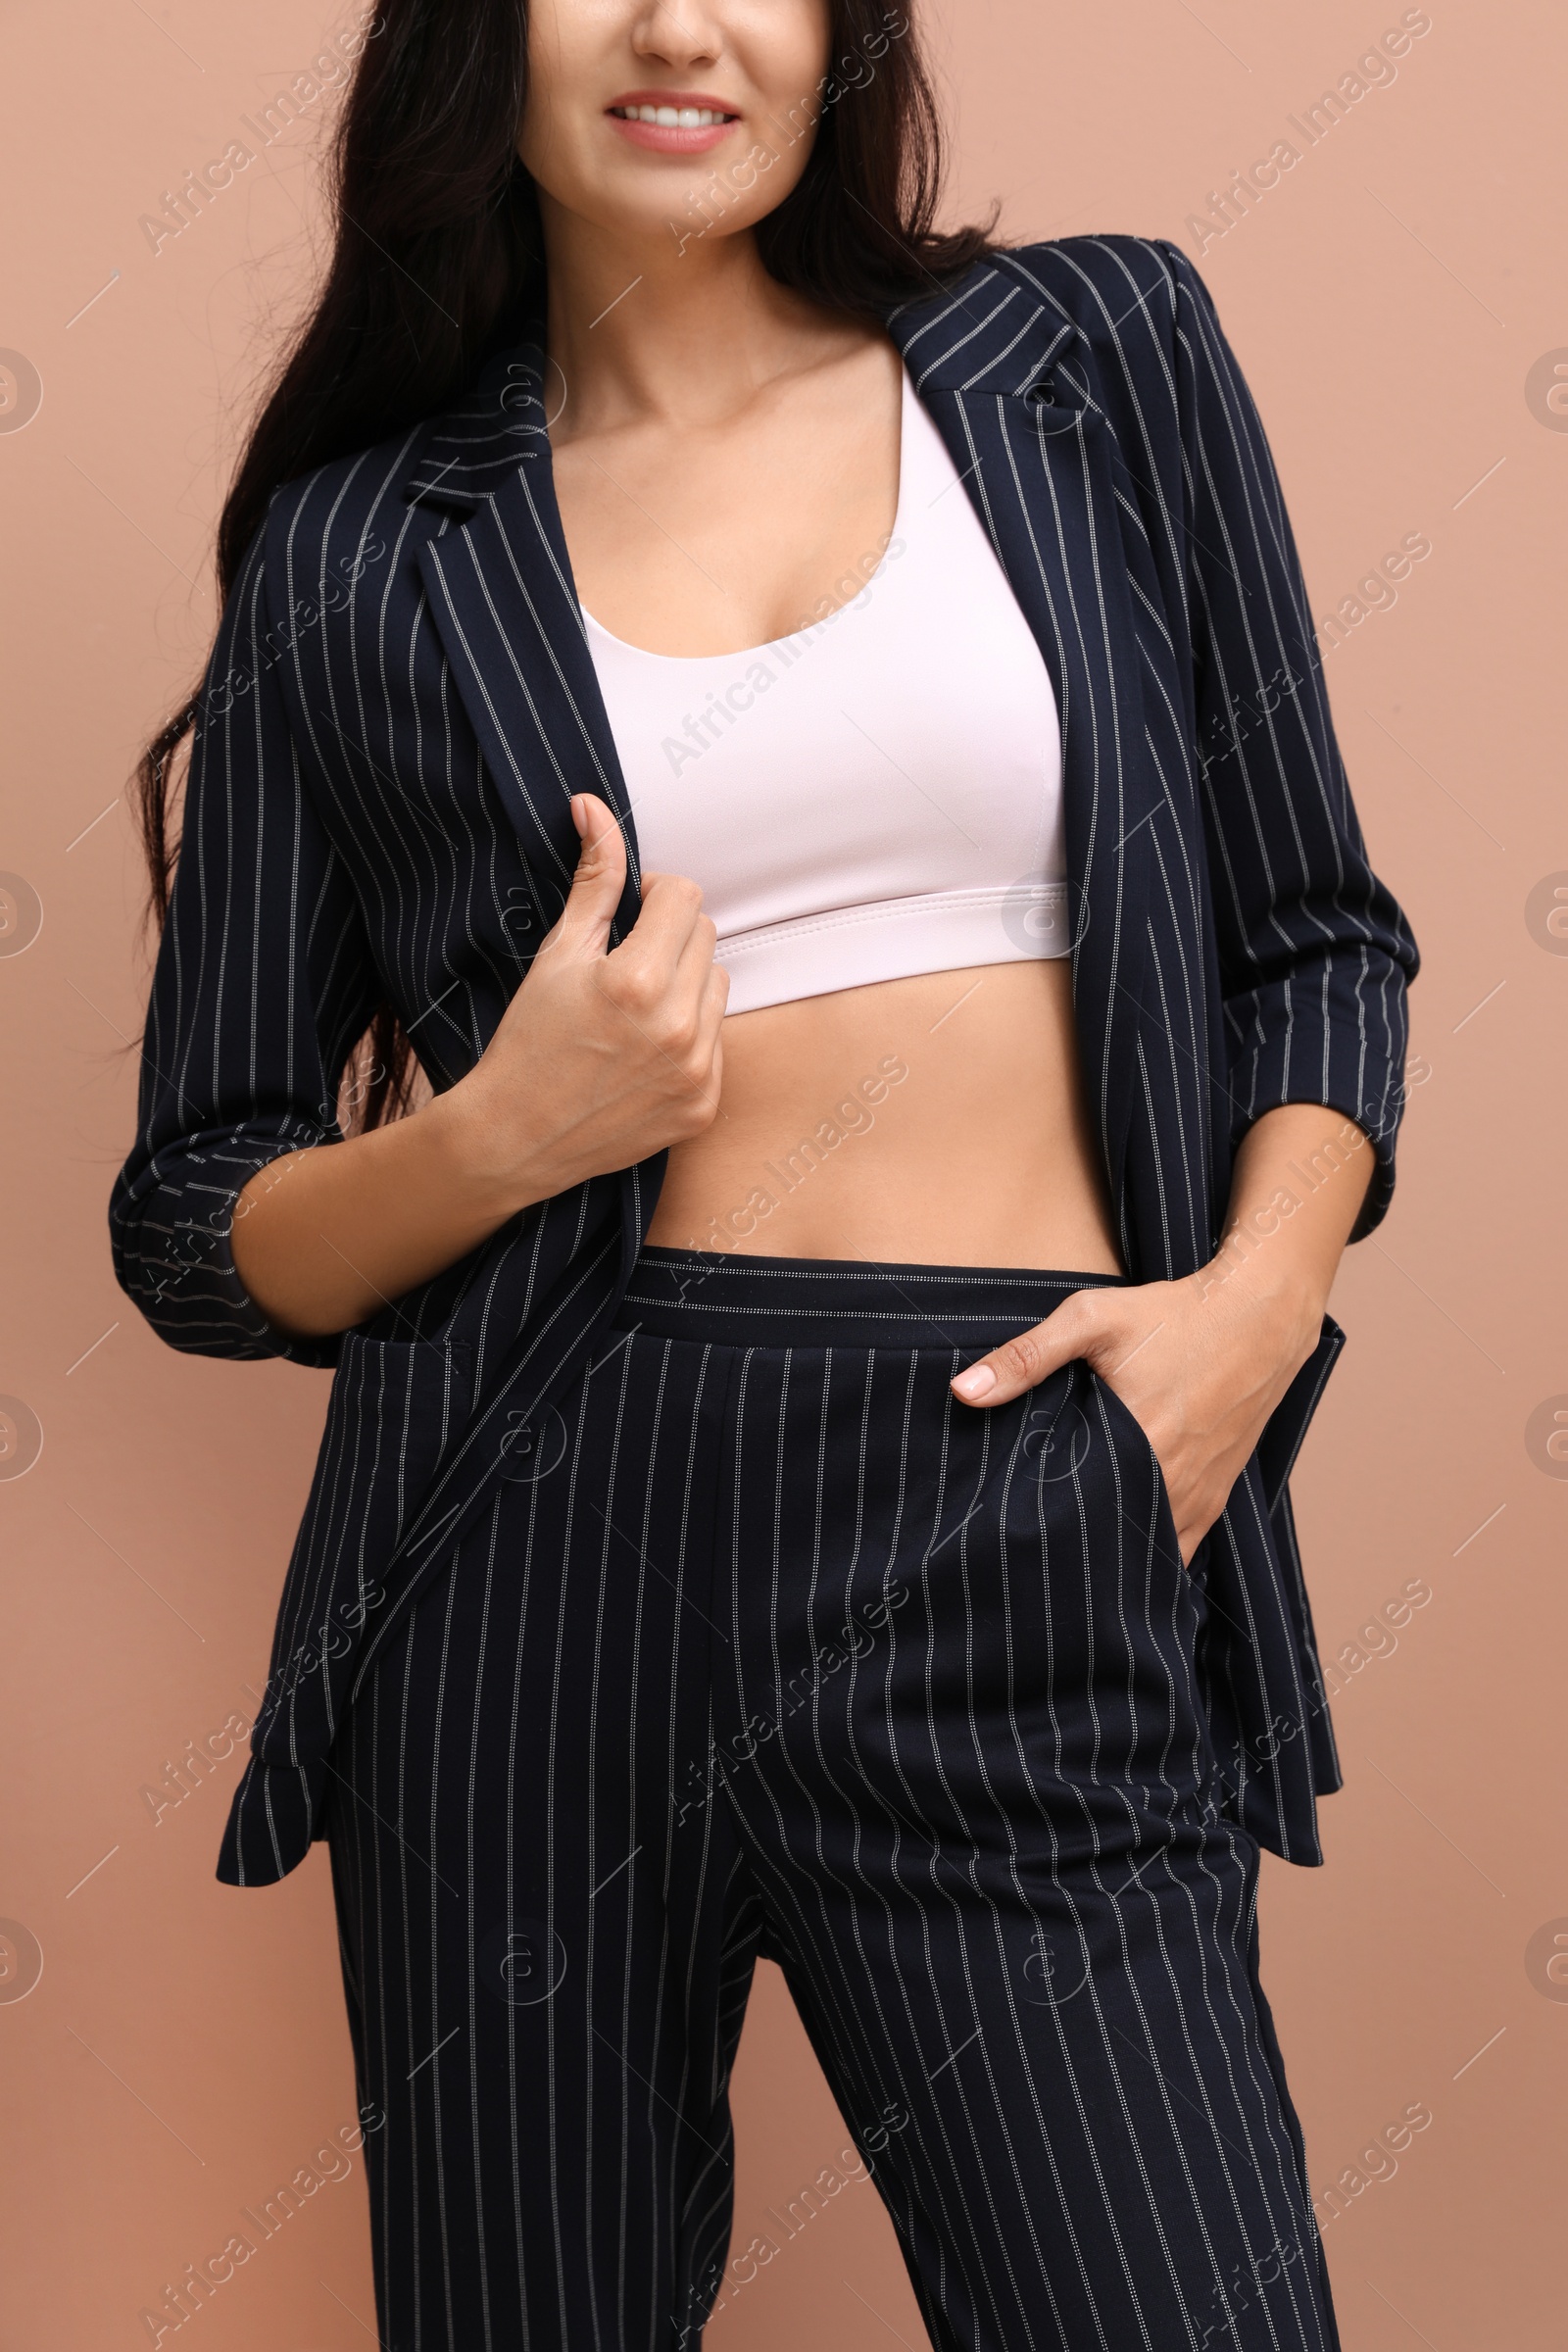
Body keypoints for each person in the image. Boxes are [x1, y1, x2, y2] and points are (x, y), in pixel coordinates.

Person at [109, 2, 1419, 2346]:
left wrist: (1238, 1323)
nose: (677, 21)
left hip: (1013, 1487)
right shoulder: (358, 553)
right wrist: (500, 1132)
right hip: (526, 1554)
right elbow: (197, 1210)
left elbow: (1307, 940)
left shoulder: (1090, 352)